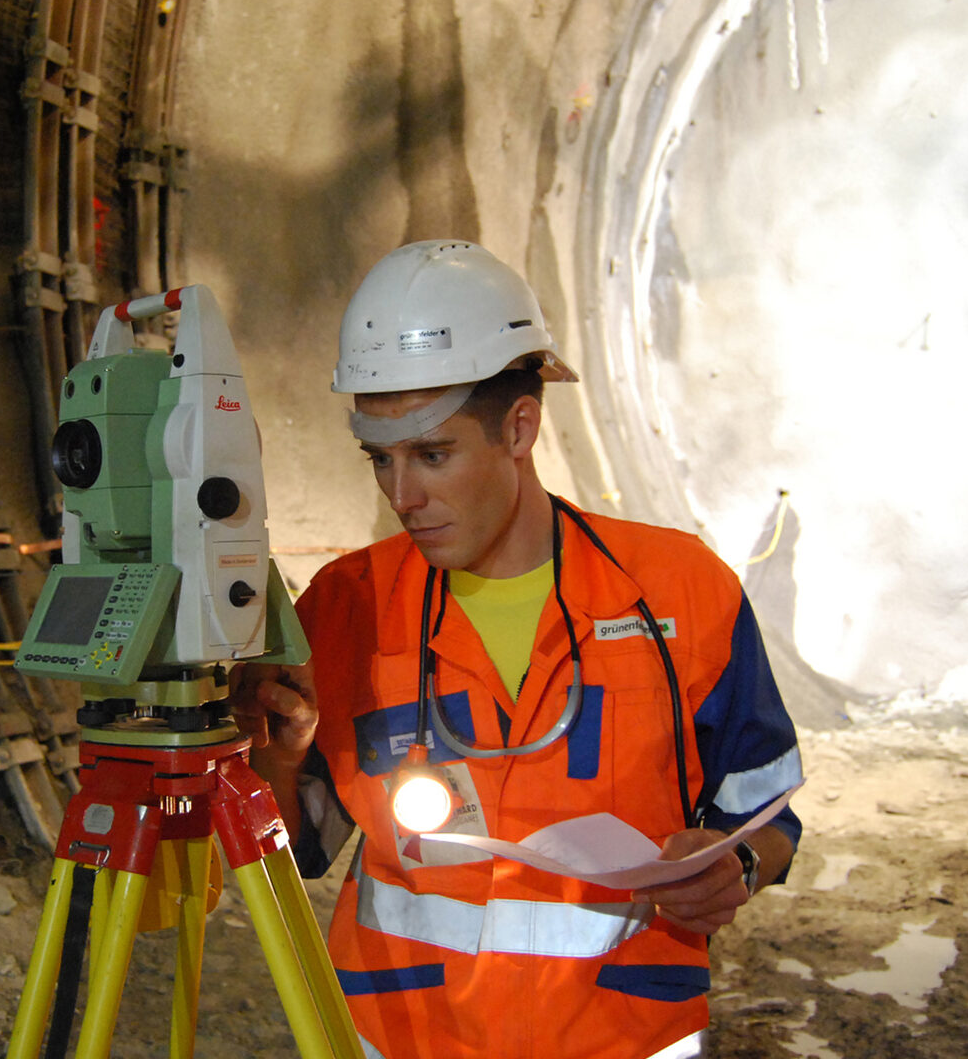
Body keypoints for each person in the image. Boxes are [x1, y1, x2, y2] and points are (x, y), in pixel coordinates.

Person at [234, 240, 803, 1059]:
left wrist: (738, 864)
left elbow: (768, 804)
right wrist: (276, 762)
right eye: (381, 460)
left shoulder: (680, 593)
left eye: (433, 455)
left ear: (520, 428)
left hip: (625, 1037)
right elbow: (305, 847)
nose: (404, 497)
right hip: (400, 1038)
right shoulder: (346, 607)